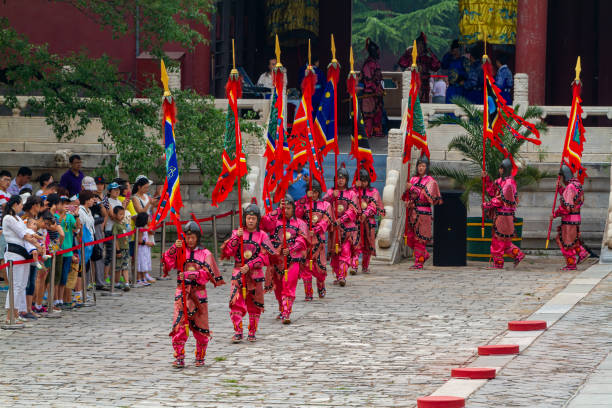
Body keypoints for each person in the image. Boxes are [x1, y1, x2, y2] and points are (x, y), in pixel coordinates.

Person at [162, 221, 225, 368]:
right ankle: (179, 357)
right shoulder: (179, 250)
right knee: (180, 325)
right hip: (182, 293)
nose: (190, 240)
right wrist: (173, 249)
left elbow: (208, 274)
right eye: (188, 237)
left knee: (201, 327)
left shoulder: (205, 253)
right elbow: (167, 263)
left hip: (199, 294)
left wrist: (190, 275)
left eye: (193, 237)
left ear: (198, 237)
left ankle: (200, 357)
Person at [221, 202, 275, 343]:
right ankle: (238, 331)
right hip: (238, 272)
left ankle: (252, 331)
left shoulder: (263, 235)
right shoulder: (236, 233)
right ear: (244, 218)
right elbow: (228, 251)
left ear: (257, 220)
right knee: (235, 302)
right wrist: (235, 239)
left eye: (253, 218)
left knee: (254, 304)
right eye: (248, 218)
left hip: (255, 274)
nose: (250, 221)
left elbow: (266, 256)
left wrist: (250, 265)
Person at [263, 195, 308, 324]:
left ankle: (287, 312)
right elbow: (264, 223)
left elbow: (303, 239)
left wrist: (292, 248)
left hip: (293, 260)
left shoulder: (300, 223)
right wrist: (277, 211)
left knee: (289, 285)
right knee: (278, 287)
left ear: (293, 209)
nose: (286, 210)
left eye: (289, 208)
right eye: (284, 208)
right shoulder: (274, 223)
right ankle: (282, 308)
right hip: (277, 260)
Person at [482, 158, 525, 269]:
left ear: (504, 169)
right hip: (500, 215)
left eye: (501, 168)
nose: (499, 170)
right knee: (504, 241)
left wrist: (488, 204)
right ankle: (517, 254)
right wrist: (486, 178)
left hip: (504, 215)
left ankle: (498, 264)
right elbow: (492, 191)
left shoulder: (509, 183)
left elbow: (501, 199)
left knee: (498, 240)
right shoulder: (500, 181)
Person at [2, 195, 39, 324]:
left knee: (22, 284)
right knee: (15, 285)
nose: (22, 207)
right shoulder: (8, 218)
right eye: (20, 204)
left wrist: (35, 239)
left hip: (22, 253)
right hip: (13, 253)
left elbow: (27, 231)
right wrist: (36, 241)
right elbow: (23, 234)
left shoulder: (17, 218)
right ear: (15, 204)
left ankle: (16, 313)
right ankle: (9, 316)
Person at [402, 155, 442, 269]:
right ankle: (424, 254)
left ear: (427, 167)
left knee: (420, 239)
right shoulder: (413, 179)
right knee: (410, 237)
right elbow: (408, 195)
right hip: (412, 212)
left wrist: (412, 188)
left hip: (424, 212)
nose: (421, 168)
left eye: (423, 166)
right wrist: (407, 200)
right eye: (419, 165)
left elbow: (426, 196)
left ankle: (419, 262)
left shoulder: (431, 181)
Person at [295, 179, 331, 300]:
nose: (314, 194)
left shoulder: (326, 205)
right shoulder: (303, 203)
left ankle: (321, 288)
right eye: (311, 192)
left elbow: (326, 219)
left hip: (319, 240)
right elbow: (297, 215)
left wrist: (316, 229)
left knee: (320, 268)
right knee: (306, 267)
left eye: (316, 192)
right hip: (306, 240)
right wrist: (305, 198)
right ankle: (308, 293)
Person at [323, 166, 359, 286]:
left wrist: (342, 219)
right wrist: (333, 196)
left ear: (346, 179)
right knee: (335, 253)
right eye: (338, 178)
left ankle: (343, 276)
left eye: (343, 178)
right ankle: (338, 276)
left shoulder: (352, 193)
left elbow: (353, 210)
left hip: (347, 228)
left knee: (345, 251)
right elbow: (323, 204)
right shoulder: (330, 191)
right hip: (335, 228)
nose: (340, 180)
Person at [551, 165, 589, 270]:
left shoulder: (570, 187)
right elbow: (569, 196)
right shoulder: (577, 184)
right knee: (573, 240)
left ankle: (571, 264)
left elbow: (567, 207)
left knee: (565, 242)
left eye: (561, 177)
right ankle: (582, 253)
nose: (561, 179)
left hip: (569, 220)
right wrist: (559, 189)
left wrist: (555, 214)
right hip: (576, 219)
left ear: (564, 176)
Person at [353, 169, 384, 274]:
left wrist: (365, 214)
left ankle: (365, 266)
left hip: (368, 222)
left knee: (367, 244)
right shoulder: (354, 191)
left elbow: (373, 205)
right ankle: (354, 265)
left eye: (365, 180)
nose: (363, 183)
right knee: (356, 242)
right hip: (357, 221)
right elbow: (350, 202)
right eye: (361, 180)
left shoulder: (373, 191)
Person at [397, 32, 441, 102]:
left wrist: (431, 54)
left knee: (423, 107)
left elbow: (437, 66)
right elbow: (401, 63)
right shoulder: (410, 57)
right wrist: (407, 52)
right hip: (412, 84)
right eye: (418, 45)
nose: (419, 48)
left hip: (424, 86)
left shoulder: (427, 58)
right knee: (412, 106)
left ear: (424, 47)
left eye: (421, 46)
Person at [54, 194, 80, 309]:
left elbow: (76, 228)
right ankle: (55, 300)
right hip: (58, 250)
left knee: (64, 277)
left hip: (68, 251)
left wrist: (77, 215)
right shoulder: (54, 216)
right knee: (56, 277)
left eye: (67, 204)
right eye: (63, 204)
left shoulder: (70, 217)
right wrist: (63, 214)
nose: (65, 206)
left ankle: (61, 299)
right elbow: (56, 225)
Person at [360, 38, 384, 138]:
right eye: (377, 51)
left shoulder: (375, 63)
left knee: (378, 114)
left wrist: (380, 89)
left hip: (376, 94)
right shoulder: (368, 64)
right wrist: (376, 89)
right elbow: (368, 80)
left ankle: (377, 132)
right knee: (369, 115)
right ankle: (367, 133)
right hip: (369, 94)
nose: (379, 53)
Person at [102, 182, 123, 285]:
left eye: (118, 189)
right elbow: (112, 215)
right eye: (115, 190)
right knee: (109, 254)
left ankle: (113, 275)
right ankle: (105, 276)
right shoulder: (107, 201)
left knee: (117, 254)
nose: (117, 191)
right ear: (109, 191)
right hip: (110, 230)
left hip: (118, 230)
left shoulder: (119, 201)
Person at [111, 206, 131, 291]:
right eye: (120, 214)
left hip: (126, 249)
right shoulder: (115, 226)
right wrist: (117, 250)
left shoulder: (123, 224)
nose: (122, 216)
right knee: (118, 267)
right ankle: (117, 282)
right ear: (115, 215)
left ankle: (127, 283)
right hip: (120, 249)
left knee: (125, 266)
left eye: (123, 214)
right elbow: (115, 239)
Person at [134, 212, 154, 287]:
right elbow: (139, 240)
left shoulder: (145, 228)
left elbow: (152, 233)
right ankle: (139, 279)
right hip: (141, 249)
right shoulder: (140, 229)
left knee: (144, 263)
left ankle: (143, 278)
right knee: (140, 263)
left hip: (145, 249)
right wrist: (148, 243)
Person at [0, 170, 10, 287]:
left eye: (9, 180)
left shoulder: (8, 194)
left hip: (5, 227)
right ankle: (7, 283)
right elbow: (5, 207)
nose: (7, 182)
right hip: (1, 228)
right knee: (3, 256)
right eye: (5, 179)